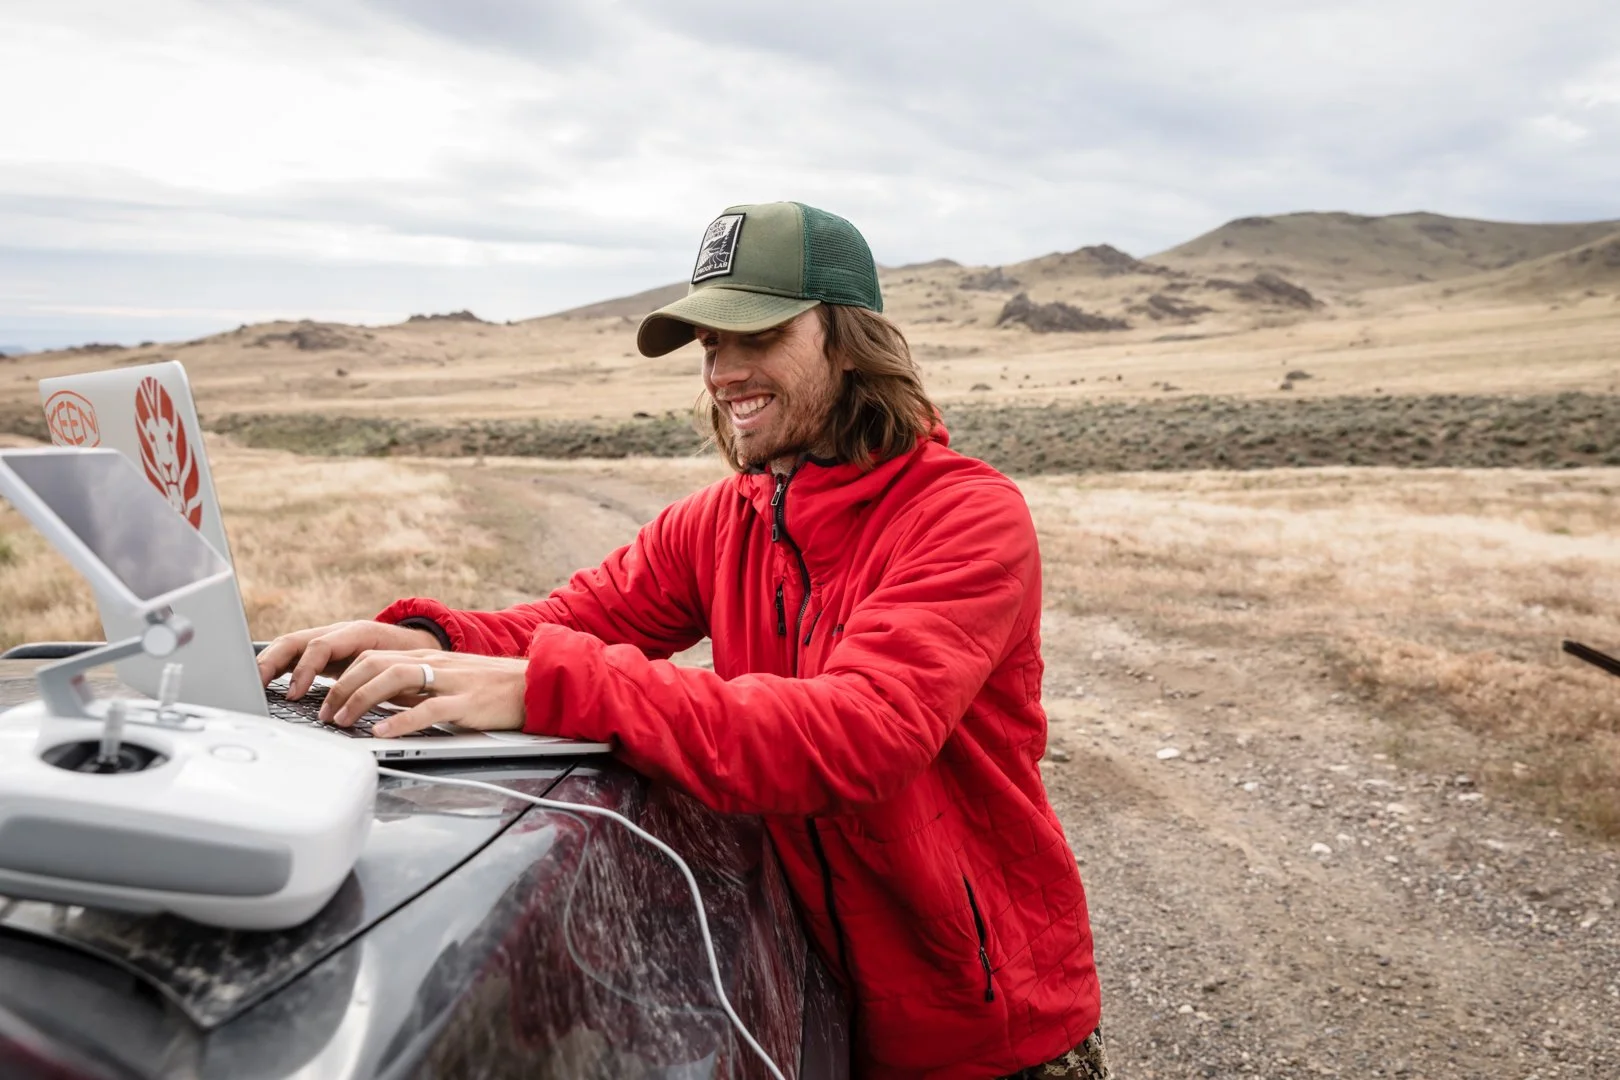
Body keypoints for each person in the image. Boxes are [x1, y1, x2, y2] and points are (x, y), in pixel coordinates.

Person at [257, 202, 1106, 1080]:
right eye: (709, 345)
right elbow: (575, 616)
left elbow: (863, 733)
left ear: (849, 342)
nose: (725, 372)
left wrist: (552, 683)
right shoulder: (719, 524)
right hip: (821, 1002)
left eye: (759, 336)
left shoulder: (965, 515)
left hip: (985, 1022)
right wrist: (425, 635)